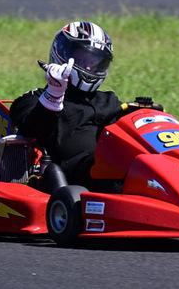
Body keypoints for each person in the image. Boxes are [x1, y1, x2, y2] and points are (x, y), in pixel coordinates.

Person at [10, 21, 124, 191]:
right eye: (80, 59)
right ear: (61, 54)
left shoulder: (109, 100)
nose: (87, 67)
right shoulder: (35, 98)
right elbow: (31, 129)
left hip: (115, 163)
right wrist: (54, 94)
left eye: (93, 62)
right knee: (115, 170)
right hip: (79, 172)